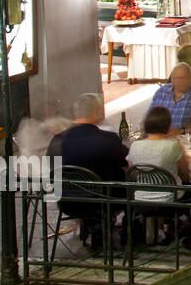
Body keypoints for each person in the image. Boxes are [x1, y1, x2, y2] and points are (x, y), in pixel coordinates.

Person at [48, 94, 130, 253]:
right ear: (97, 112)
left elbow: (51, 167)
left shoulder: (57, 141)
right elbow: (126, 161)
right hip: (102, 201)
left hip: (67, 200)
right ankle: (132, 231)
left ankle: (91, 229)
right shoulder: (108, 139)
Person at [126, 106, 190, 220]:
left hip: (140, 197)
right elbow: (185, 173)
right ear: (168, 125)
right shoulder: (173, 145)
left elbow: (132, 174)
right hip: (169, 198)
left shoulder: (135, 145)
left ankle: (157, 229)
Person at [148, 62, 191, 132]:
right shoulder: (162, 91)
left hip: (186, 136)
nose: (180, 81)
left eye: (184, 78)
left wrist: (179, 131)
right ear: (171, 79)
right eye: (176, 78)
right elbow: (150, 117)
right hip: (160, 135)